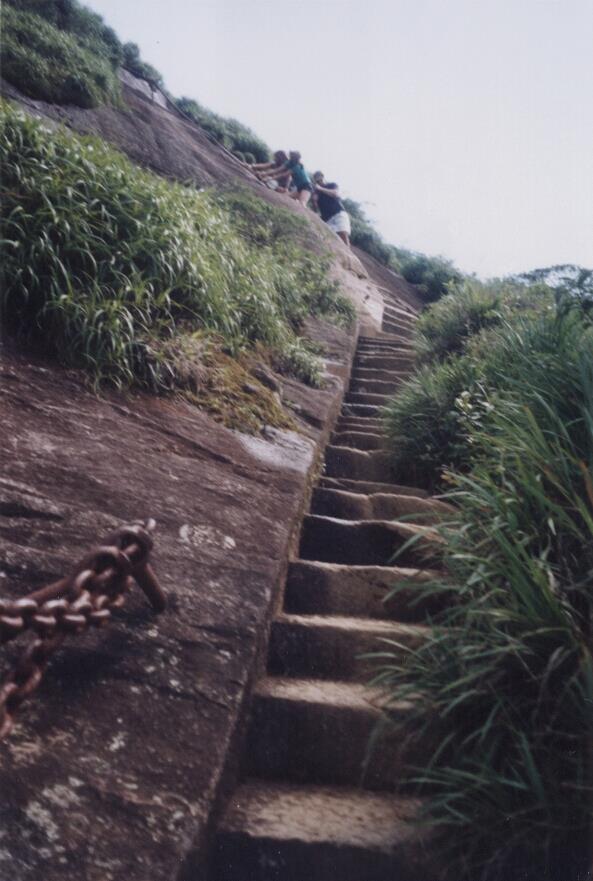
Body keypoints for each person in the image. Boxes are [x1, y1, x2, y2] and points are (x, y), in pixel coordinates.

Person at [312, 171, 351, 247]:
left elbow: (335, 194)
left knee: (343, 234)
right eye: (317, 180)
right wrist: (314, 201)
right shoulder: (316, 192)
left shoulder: (332, 185)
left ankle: (349, 255)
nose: (319, 181)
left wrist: (320, 189)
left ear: (323, 177)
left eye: (320, 178)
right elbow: (316, 209)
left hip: (338, 213)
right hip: (327, 219)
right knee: (331, 240)